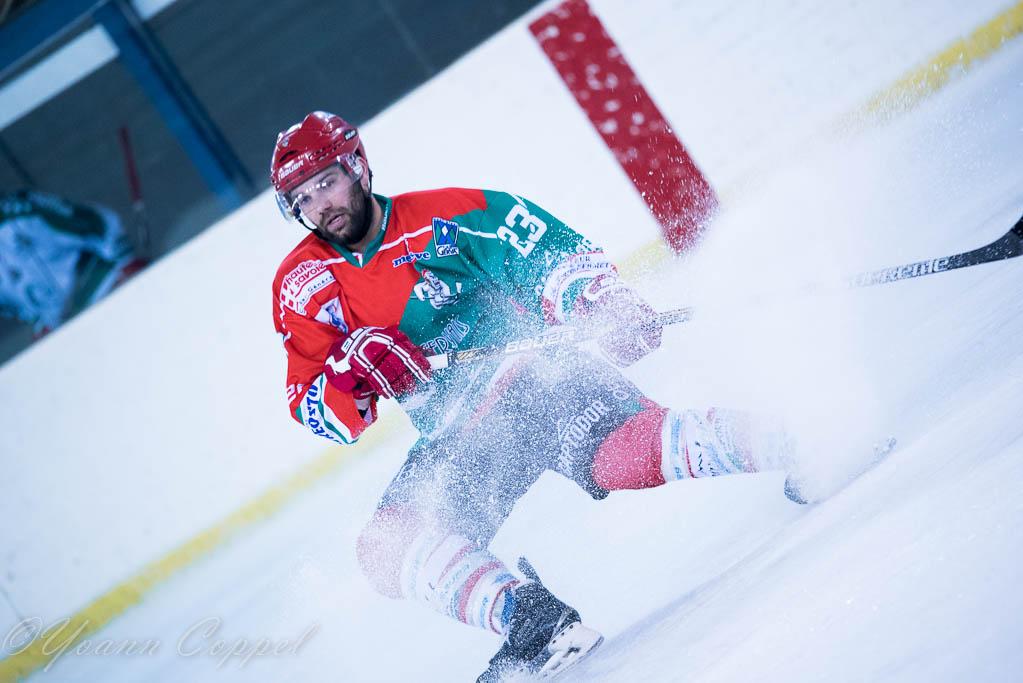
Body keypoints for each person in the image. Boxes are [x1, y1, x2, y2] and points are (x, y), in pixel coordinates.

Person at [270, 112, 793, 680]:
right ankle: (533, 621)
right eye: (303, 198)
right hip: (459, 434)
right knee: (386, 548)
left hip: (540, 380)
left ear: (358, 167)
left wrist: (599, 301)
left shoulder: (450, 215)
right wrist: (351, 377)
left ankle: (797, 438)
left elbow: (549, 256)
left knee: (626, 458)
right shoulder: (302, 284)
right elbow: (312, 403)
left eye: (326, 182)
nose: (320, 205)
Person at [0, 189, 143, 334]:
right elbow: (22, 310)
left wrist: (127, 267)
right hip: (70, 330)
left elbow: (101, 224)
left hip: (107, 291)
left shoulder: (24, 213)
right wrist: (42, 326)